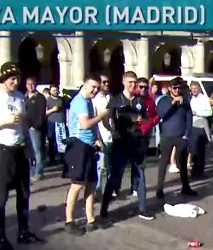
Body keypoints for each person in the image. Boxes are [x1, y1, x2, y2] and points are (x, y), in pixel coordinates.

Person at [0, 62, 42, 250]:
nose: (16, 82)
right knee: (1, 196)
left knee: (24, 194)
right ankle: (1, 237)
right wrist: (4, 121)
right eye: (13, 78)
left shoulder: (20, 97)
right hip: (1, 151)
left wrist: (29, 149)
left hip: (19, 149)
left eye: (18, 78)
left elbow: (23, 126)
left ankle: (23, 231)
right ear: (4, 78)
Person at [100, 71, 154, 221]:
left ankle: (143, 209)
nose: (133, 85)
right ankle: (104, 208)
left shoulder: (139, 101)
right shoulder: (116, 100)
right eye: (130, 82)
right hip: (121, 142)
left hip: (136, 142)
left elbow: (146, 119)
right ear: (124, 82)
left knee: (140, 174)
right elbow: (104, 118)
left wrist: (140, 121)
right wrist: (112, 131)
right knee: (116, 176)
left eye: (135, 82)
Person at [64, 73, 106, 235]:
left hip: (89, 145)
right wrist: (101, 116)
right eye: (93, 87)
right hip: (78, 145)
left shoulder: (88, 101)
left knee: (91, 183)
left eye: (97, 87)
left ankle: (91, 218)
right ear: (85, 86)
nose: (95, 90)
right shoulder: (80, 101)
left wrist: (97, 139)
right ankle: (69, 220)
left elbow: (92, 128)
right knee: (77, 184)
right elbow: (85, 124)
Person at [155, 77, 198, 200]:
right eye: (174, 88)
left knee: (182, 163)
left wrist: (187, 134)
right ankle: (159, 189)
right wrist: (172, 103)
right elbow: (162, 115)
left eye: (179, 88)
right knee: (164, 162)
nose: (177, 90)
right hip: (167, 135)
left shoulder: (185, 101)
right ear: (170, 88)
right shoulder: (164, 100)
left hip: (181, 136)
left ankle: (186, 187)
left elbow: (189, 118)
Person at [92, 74, 113, 197]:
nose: (106, 84)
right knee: (100, 166)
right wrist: (97, 137)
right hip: (101, 136)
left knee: (109, 165)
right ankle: (97, 190)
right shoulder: (95, 100)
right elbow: (94, 120)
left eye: (107, 82)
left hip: (110, 135)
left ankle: (107, 190)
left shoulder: (110, 97)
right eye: (104, 82)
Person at [24, 77, 47, 182]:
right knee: (30, 151)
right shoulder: (24, 97)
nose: (30, 86)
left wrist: (36, 125)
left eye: (32, 84)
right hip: (25, 127)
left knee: (38, 150)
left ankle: (39, 172)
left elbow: (41, 114)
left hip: (35, 128)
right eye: (29, 84)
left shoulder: (40, 97)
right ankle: (31, 171)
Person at [188, 80, 213, 176]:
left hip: (201, 125)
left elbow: (209, 112)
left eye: (195, 88)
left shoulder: (204, 99)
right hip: (192, 125)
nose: (193, 90)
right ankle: (194, 169)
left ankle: (200, 170)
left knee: (200, 149)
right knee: (193, 148)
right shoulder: (191, 99)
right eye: (192, 89)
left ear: (199, 89)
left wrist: (197, 113)